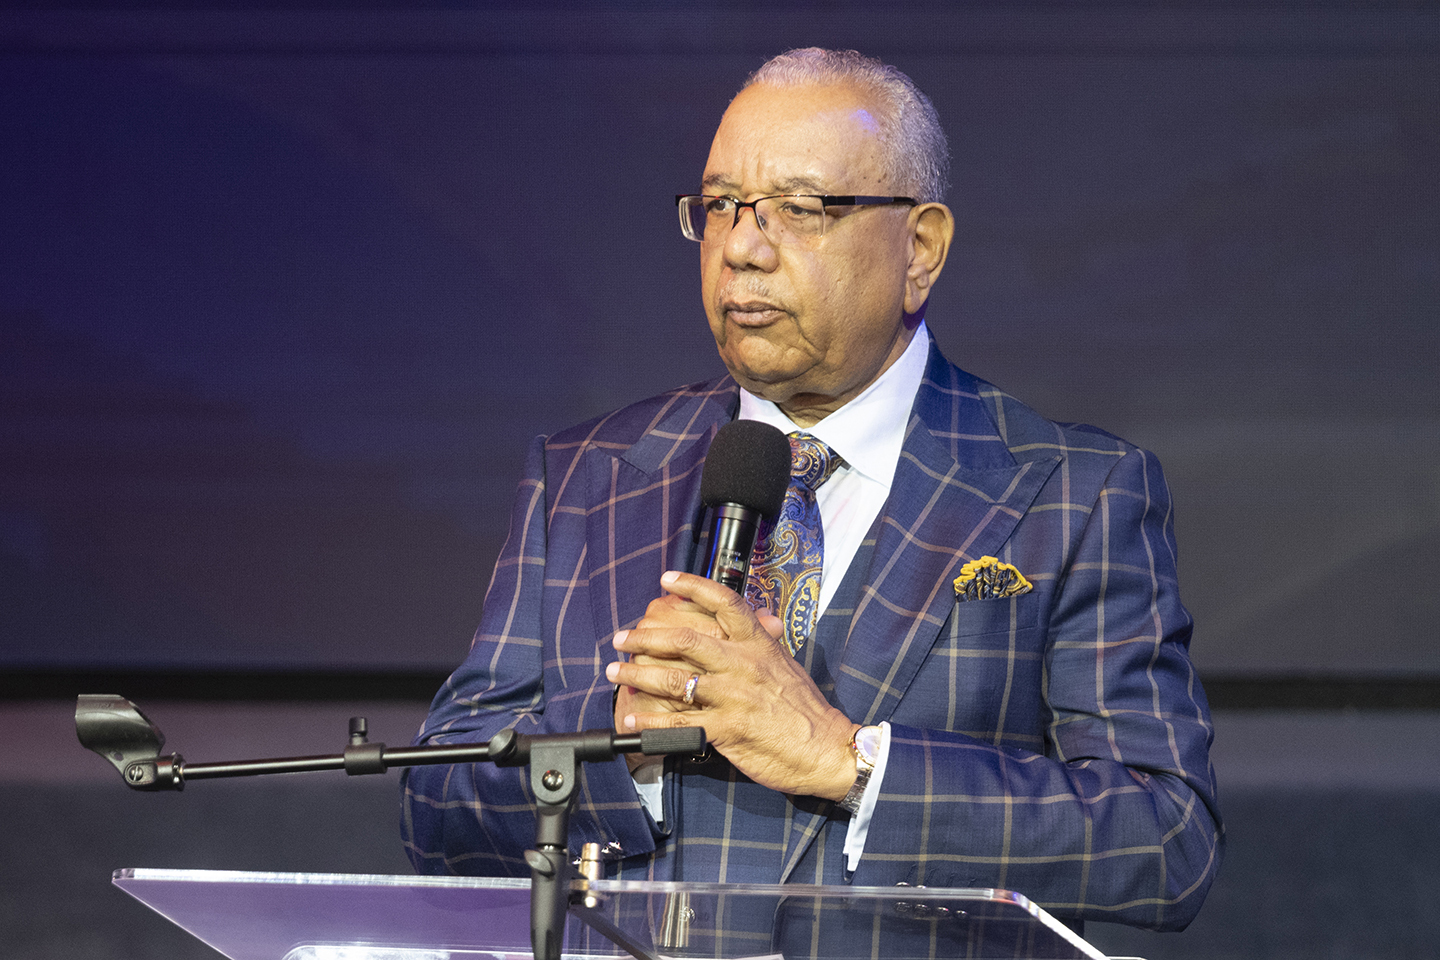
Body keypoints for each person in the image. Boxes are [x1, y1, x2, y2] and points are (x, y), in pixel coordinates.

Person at [401, 47, 1222, 932]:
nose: (742, 249)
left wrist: (849, 760)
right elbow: (437, 806)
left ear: (921, 248)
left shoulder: (1073, 495)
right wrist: (613, 751)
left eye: (799, 209)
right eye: (720, 206)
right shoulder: (587, 475)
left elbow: (1164, 841)